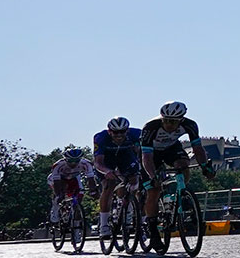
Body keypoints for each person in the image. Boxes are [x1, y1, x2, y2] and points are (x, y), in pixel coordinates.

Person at [139, 101, 216, 248]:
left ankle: (182, 193)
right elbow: (146, 158)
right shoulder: (150, 127)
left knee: (183, 165)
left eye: (173, 122)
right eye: (166, 121)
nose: (168, 125)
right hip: (150, 153)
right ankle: (153, 231)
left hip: (171, 148)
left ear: (181, 120)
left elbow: (198, 149)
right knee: (153, 190)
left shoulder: (190, 125)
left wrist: (205, 167)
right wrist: (152, 176)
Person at [92, 117, 142, 238]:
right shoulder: (101, 137)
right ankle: (104, 225)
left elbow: (143, 153)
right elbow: (98, 163)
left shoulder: (137, 134)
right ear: (110, 131)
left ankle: (127, 207)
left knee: (134, 179)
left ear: (127, 131)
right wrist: (107, 171)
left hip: (126, 157)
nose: (119, 135)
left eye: (122, 131)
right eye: (115, 132)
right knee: (109, 184)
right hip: (107, 160)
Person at [46, 147, 96, 225]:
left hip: (74, 178)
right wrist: (59, 194)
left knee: (79, 195)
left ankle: (76, 223)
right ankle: (55, 211)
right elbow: (56, 182)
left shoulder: (86, 164)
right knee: (59, 195)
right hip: (58, 179)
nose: (74, 163)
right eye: (71, 161)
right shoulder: (58, 165)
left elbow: (91, 179)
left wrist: (93, 190)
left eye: (76, 161)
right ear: (65, 159)